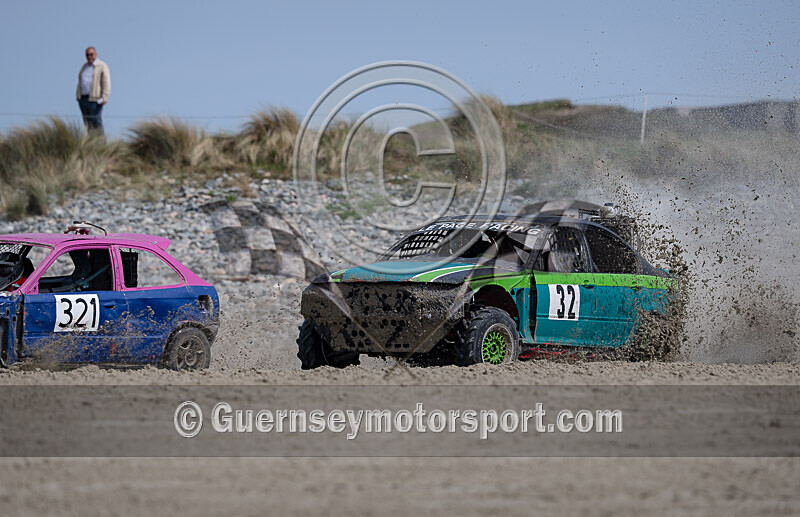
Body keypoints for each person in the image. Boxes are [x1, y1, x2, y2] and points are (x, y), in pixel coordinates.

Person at [76, 46, 110, 135]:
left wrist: (105, 97)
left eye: (91, 54)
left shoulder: (101, 66)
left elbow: (106, 82)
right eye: (87, 55)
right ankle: (91, 143)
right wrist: (78, 96)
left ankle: (101, 144)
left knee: (96, 122)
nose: (89, 57)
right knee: (87, 123)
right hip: (83, 98)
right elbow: (80, 81)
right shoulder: (84, 67)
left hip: (95, 99)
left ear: (95, 54)